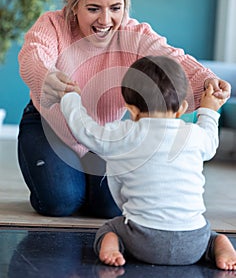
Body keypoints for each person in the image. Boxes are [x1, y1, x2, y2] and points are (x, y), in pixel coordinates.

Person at [18, 0, 231, 219]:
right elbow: (33, 55)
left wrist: (206, 80)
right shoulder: (53, 25)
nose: (105, 20)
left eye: (115, 8)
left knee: (110, 207)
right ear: (73, 3)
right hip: (50, 126)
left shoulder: (134, 34)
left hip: (106, 133)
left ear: (125, 3)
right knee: (62, 203)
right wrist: (46, 78)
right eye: (93, 8)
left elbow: (173, 58)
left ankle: (85, 182)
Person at [60, 55, 236, 270]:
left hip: (143, 241)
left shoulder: (126, 134)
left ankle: (112, 247)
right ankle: (222, 247)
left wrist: (71, 98)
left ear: (131, 109)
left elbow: (85, 131)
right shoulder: (194, 135)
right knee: (212, 235)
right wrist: (209, 109)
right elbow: (210, 140)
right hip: (193, 242)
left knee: (110, 228)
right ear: (181, 108)